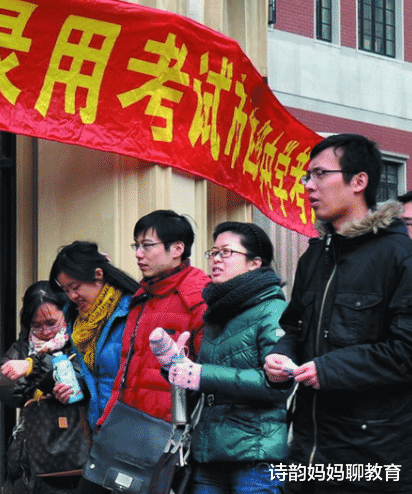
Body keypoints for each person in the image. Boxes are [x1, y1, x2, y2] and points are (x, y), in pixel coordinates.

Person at [264, 133, 412, 493]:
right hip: (309, 449)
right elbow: (294, 329)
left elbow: (406, 351)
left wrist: (330, 369)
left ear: (359, 181)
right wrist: (280, 357)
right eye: (307, 177)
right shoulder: (314, 256)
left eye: (319, 174)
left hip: (371, 456)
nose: (308, 186)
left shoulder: (398, 255)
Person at [74, 210, 208, 494]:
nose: (139, 254)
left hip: (165, 436)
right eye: (137, 246)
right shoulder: (143, 295)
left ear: (177, 249)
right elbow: (126, 367)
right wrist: (106, 419)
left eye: (147, 245)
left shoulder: (198, 297)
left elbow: (207, 372)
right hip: (123, 425)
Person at [154, 221, 289, 494]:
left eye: (226, 252)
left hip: (255, 455)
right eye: (213, 252)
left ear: (254, 262)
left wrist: (201, 374)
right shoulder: (217, 311)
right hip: (207, 453)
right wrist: (177, 368)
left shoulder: (272, 309)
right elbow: (206, 388)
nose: (215, 259)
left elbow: (277, 385)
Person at [0, 281, 87, 494]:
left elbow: (78, 379)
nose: (44, 332)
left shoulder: (81, 339)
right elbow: (0, 381)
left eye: (51, 323)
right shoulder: (24, 345)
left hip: (71, 453)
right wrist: (41, 383)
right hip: (28, 456)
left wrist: (31, 369)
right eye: (36, 325)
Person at [47, 241, 138, 430]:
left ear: (98, 274)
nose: (72, 296)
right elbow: (98, 375)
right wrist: (74, 387)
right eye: (66, 290)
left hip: (133, 427)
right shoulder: (77, 322)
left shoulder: (131, 311)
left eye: (76, 286)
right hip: (100, 427)